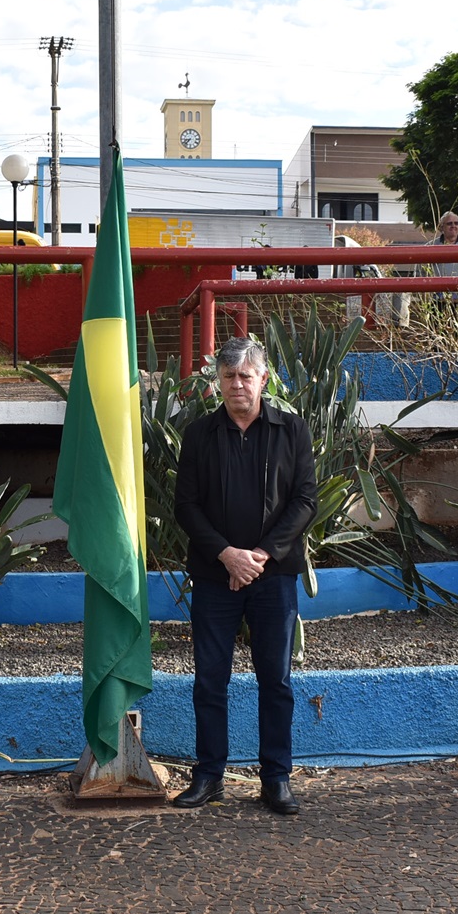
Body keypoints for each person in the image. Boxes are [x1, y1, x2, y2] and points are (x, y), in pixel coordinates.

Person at [171, 336, 317, 815]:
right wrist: (226, 556)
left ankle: (276, 779)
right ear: (219, 381)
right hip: (216, 577)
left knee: (275, 679)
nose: (237, 385)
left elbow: (304, 502)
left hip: (273, 577)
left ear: (263, 380)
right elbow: (186, 507)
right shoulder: (198, 435)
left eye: (246, 376)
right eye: (229, 376)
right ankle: (210, 776)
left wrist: (257, 557)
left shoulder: (292, 430)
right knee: (210, 680)